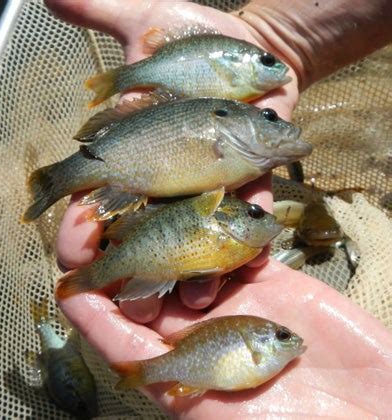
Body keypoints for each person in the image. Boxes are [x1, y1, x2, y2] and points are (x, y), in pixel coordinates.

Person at [46, 0, 392, 416]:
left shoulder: (238, 160)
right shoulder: (222, 140)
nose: (275, 122)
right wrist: (288, 36)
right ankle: (59, 189)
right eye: (267, 117)